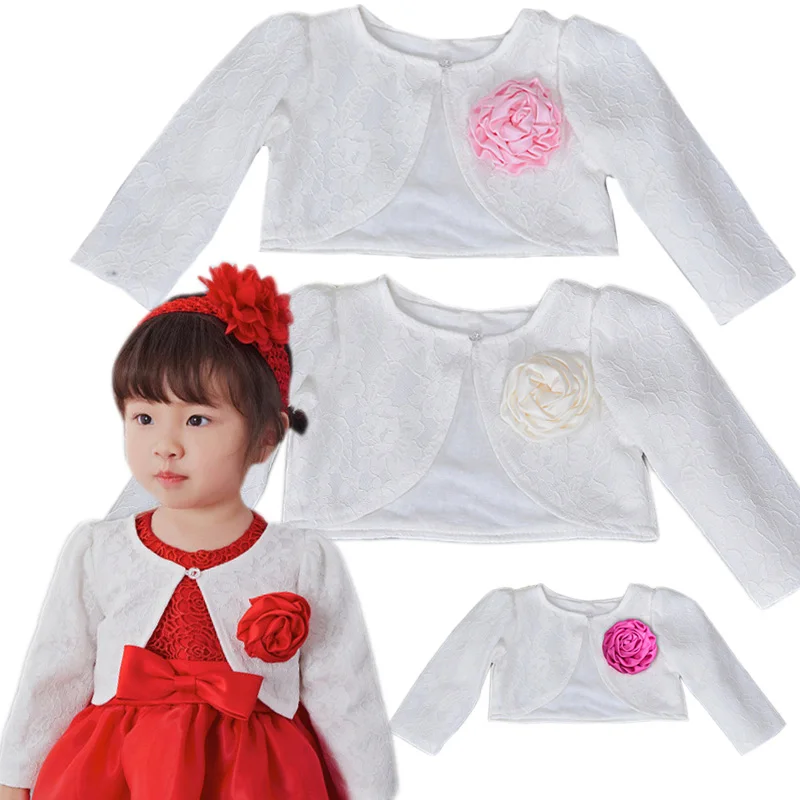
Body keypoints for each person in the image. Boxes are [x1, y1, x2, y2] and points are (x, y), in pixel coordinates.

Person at [0, 263, 397, 799]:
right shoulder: (98, 550)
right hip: (117, 773)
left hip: (257, 778)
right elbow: (55, 671)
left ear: (266, 436)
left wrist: (371, 790)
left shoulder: (302, 558)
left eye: (197, 420)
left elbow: (344, 690)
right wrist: (15, 780)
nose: (166, 445)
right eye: (144, 418)